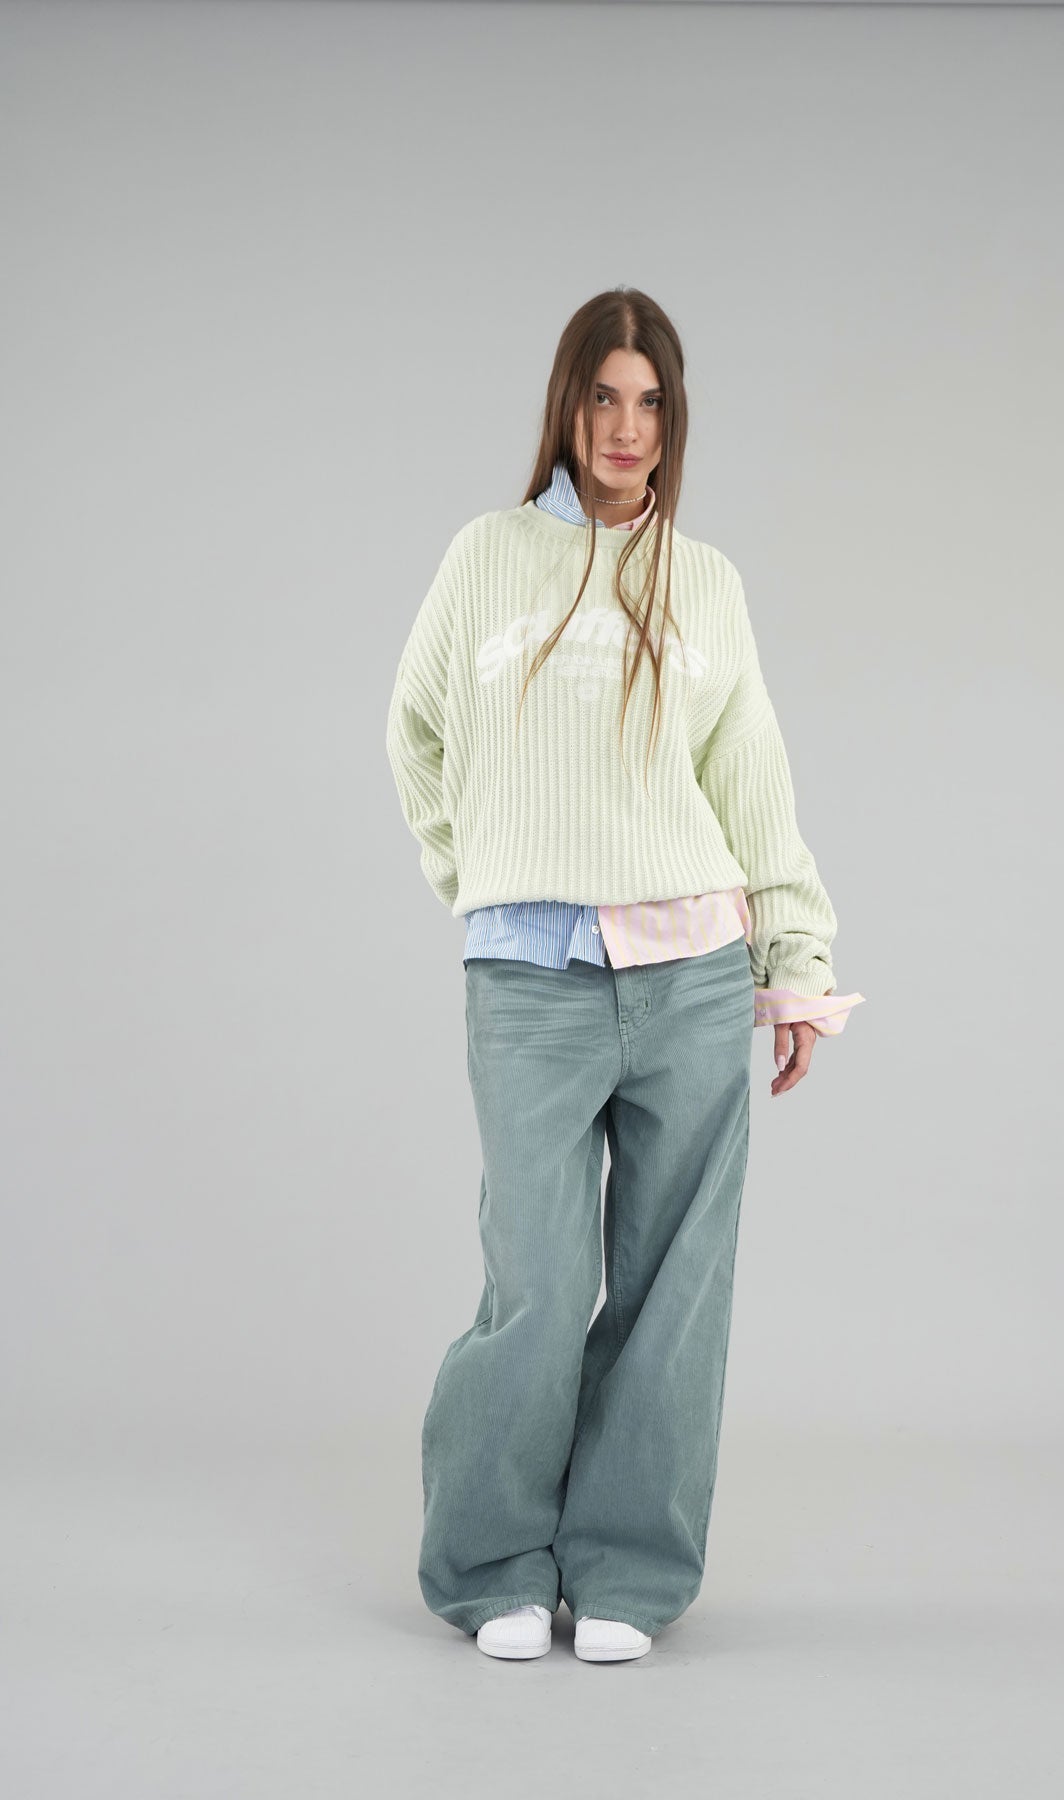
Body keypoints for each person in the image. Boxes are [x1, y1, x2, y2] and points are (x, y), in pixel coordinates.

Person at [385, 287, 864, 1664]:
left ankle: (629, 1572)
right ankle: (492, 1563)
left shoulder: (705, 583)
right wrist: (480, 877)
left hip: (692, 975)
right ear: (568, 405)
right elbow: (415, 732)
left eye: (650, 402)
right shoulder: (486, 557)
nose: (626, 427)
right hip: (530, 982)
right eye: (603, 396)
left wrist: (795, 959)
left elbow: (752, 779)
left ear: (673, 422)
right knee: (534, 1282)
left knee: (673, 1289)